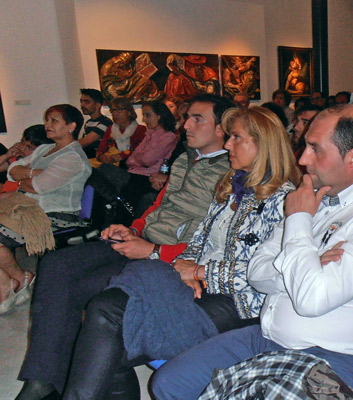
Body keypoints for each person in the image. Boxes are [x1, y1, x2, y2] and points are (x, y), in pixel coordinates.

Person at [151, 104, 353, 399]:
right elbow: (257, 273)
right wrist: (308, 265)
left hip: (335, 358)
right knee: (169, 383)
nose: (303, 159)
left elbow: (311, 299)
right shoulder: (312, 196)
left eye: (315, 149)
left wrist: (299, 221)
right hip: (267, 337)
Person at [61, 107, 301, 400]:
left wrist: (199, 271)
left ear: (263, 144)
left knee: (111, 331)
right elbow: (199, 242)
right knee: (105, 308)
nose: (227, 145)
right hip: (196, 285)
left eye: (236, 138)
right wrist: (184, 269)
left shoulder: (285, 200)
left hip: (237, 305)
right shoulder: (231, 187)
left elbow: (269, 275)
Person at [13, 95, 234, 400]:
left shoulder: (231, 170)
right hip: (145, 240)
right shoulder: (185, 158)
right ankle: (41, 379)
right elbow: (159, 205)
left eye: (198, 119)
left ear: (222, 129)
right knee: (57, 264)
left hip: (173, 255)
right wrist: (133, 229)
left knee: (79, 289)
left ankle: (65, 380)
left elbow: (217, 238)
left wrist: (154, 249)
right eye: (187, 117)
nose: (186, 125)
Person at [1, 105, 91, 312]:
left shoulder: (73, 157)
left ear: (71, 126)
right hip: (26, 205)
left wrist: (27, 176)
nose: (47, 125)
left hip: (55, 213)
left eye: (54, 120)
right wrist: (35, 173)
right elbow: (12, 170)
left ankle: (11, 284)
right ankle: (16, 279)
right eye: (47, 120)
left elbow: (39, 187)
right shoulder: (44, 149)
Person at [93, 100, 178, 220]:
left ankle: (117, 205)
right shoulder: (150, 134)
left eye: (148, 115)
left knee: (104, 173)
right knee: (96, 173)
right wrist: (139, 159)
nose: (144, 119)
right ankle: (111, 206)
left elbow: (147, 160)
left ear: (159, 116)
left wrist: (138, 159)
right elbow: (131, 159)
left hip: (147, 177)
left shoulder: (168, 137)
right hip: (133, 172)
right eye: (144, 115)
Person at [93, 97, 147, 167]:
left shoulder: (140, 129)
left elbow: (140, 150)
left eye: (119, 110)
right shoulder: (110, 129)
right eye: (113, 110)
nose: (115, 114)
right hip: (110, 163)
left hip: (130, 165)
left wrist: (121, 156)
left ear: (129, 112)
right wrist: (101, 157)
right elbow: (101, 149)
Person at [78, 88, 113, 158]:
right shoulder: (89, 122)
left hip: (100, 159)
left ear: (97, 105)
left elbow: (85, 142)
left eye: (86, 102)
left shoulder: (105, 122)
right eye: (81, 102)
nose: (82, 105)